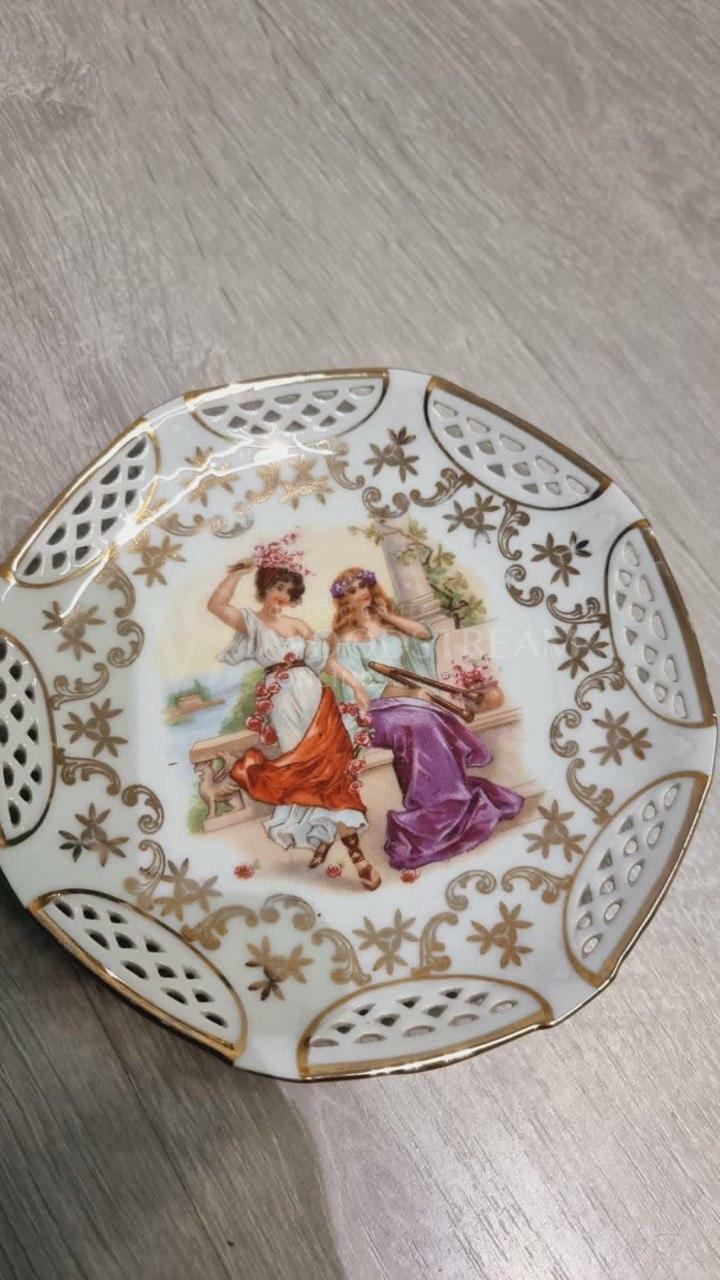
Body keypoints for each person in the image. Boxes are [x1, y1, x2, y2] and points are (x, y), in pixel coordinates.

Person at [207, 541, 380, 890]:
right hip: (283, 701)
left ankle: (348, 849)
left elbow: (326, 662)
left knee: (332, 771)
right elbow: (216, 605)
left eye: (289, 590)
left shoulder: (299, 625)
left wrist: (356, 686)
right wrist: (236, 573)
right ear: (264, 588)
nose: (283, 595)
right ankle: (343, 845)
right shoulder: (251, 624)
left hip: (316, 697)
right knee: (305, 771)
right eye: (277, 586)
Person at [329, 566, 524, 871]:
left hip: (407, 704)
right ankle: (432, 813)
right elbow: (359, 692)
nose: (361, 592)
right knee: (420, 721)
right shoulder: (345, 640)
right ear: (344, 600)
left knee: (425, 719)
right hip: (373, 714)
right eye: (352, 590)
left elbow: (424, 637)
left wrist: (388, 617)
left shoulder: (387, 628)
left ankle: (451, 803)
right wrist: (404, 692)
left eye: (364, 585)